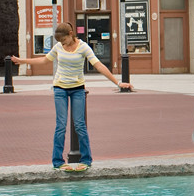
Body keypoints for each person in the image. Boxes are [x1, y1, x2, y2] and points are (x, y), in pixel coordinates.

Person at [11, 22, 132, 169]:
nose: (62, 44)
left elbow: (98, 65)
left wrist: (117, 83)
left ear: (70, 34)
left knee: (80, 125)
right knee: (60, 125)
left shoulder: (83, 47)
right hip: (60, 89)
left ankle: (86, 160)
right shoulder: (58, 47)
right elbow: (44, 60)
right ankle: (58, 162)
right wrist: (21, 61)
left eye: (64, 40)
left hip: (77, 90)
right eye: (60, 42)